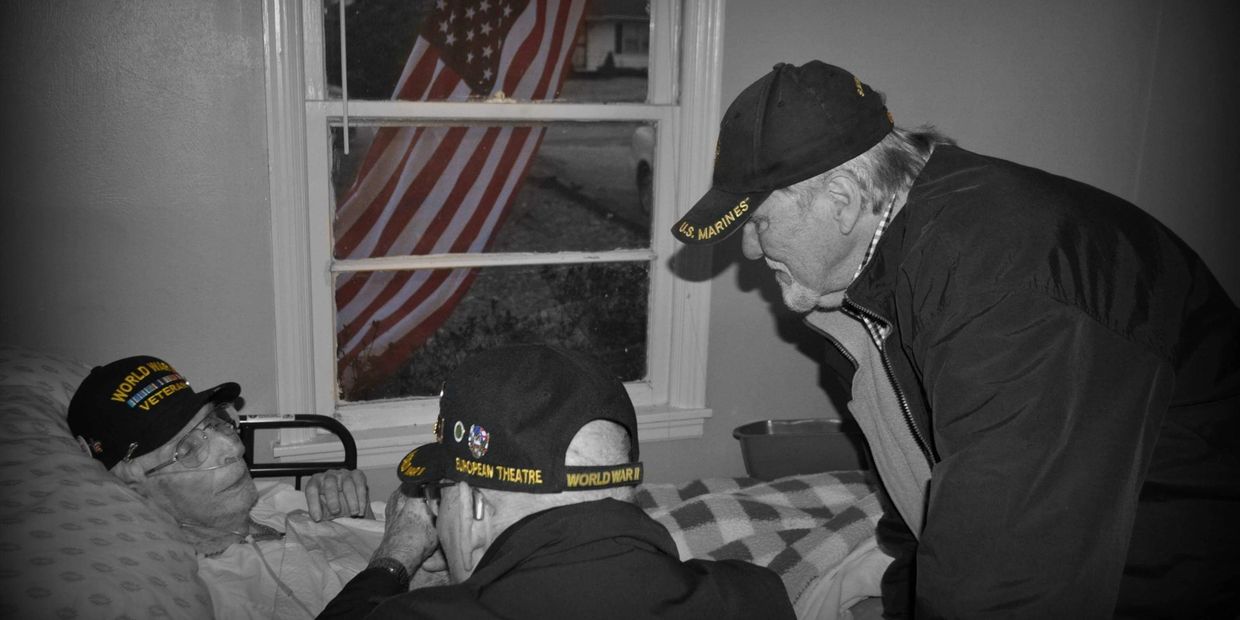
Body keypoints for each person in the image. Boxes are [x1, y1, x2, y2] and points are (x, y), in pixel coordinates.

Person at [671, 60, 1240, 618]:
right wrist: (903, 583)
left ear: (841, 199)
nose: (748, 249)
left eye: (759, 221)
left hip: (1167, 566)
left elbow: (1015, 575)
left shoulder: (1005, 285)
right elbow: (919, 459)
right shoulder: (862, 284)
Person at [319, 344, 796, 619]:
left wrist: (392, 561)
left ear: (475, 507)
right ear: (623, 484)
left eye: (442, 498)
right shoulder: (756, 597)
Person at [68, 355, 379, 617]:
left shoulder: (276, 498)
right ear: (131, 483)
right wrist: (394, 562)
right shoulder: (204, 595)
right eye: (187, 449)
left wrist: (358, 519)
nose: (234, 449)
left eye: (216, 423)